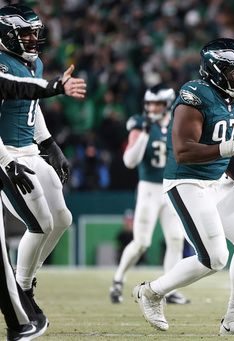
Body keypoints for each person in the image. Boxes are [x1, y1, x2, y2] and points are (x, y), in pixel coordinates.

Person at [132, 38, 234, 336]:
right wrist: (231, 147)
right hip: (187, 181)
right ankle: (152, 292)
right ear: (216, 70)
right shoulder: (194, 95)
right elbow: (183, 150)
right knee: (214, 258)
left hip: (217, 180)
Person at [0, 4, 76, 327]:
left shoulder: (35, 62)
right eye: (25, 33)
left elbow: (33, 103)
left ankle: (24, 283)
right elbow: (19, 90)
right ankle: (21, 288)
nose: (33, 39)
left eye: (35, 32)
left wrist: (50, 145)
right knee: (41, 223)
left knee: (62, 219)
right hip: (8, 155)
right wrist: (6, 161)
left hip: (31, 150)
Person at [110, 84, 189, 305]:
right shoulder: (140, 124)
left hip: (171, 187)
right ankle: (118, 280)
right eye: (150, 103)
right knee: (142, 242)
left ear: (167, 104)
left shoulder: (177, 123)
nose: (153, 108)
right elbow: (129, 161)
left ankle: (169, 288)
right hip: (148, 189)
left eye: (157, 103)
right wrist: (144, 133)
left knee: (175, 239)